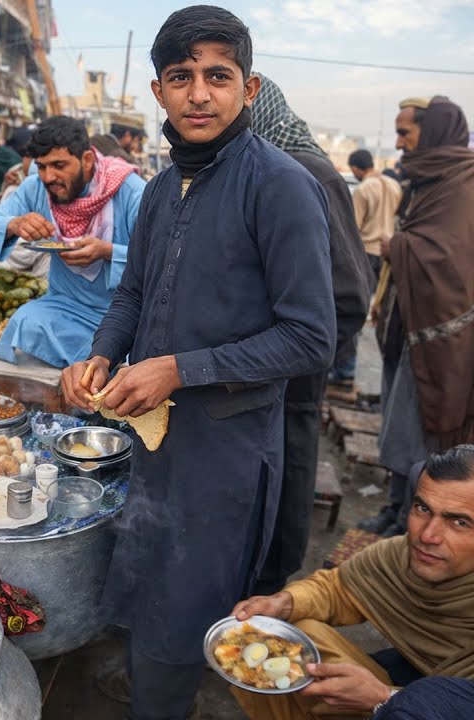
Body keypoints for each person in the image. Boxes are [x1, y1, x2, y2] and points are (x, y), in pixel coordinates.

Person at [58, 7, 336, 717]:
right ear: (159, 93)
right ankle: (155, 679)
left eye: (219, 75)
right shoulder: (158, 189)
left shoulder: (280, 184)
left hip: (228, 452)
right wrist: (99, 355)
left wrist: (179, 368)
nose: (199, 94)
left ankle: (163, 696)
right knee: (149, 574)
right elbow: (131, 293)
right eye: (181, 77)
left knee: (188, 599)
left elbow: (311, 339)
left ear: (250, 87)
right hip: (155, 438)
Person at [229, 445, 474, 720]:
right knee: (277, 637)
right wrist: (283, 603)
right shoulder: (402, 554)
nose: (428, 535)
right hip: (412, 680)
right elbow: (336, 589)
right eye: (422, 508)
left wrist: (385, 700)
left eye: (460, 523)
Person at [249, 73, 372, 595]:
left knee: (282, 487)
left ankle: (267, 595)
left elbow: (350, 297)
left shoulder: (306, 172)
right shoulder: (252, 167)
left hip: (287, 379)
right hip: (253, 377)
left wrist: (295, 354)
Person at [366, 96, 474, 539]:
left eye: (405, 132)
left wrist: (401, 248)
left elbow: (450, 258)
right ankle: (396, 508)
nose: (398, 142)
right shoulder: (426, 179)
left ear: (430, 134)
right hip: (405, 327)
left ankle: (415, 516)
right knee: (397, 424)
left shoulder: (462, 183)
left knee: (420, 432)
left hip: (438, 338)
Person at [0, 116, 145, 367]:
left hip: (122, 314)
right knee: (25, 323)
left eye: (59, 165)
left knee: (121, 356)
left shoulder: (131, 191)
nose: (49, 176)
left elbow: (161, 258)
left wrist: (108, 252)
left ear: (86, 160)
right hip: (63, 306)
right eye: (42, 166)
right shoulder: (37, 187)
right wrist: (14, 224)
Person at [333, 149, 403, 388]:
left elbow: (350, 228)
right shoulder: (394, 186)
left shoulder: (363, 190)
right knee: (370, 309)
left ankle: (345, 367)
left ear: (356, 168)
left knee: (352, 308)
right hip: (386, 256)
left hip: (364, 254)